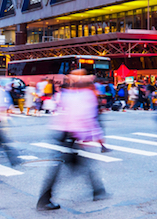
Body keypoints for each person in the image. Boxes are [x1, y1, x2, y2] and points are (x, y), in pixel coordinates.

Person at [36, 70, 109, 211]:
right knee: (63, 167)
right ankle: (44, 200)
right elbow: (86, 117)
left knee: (81, 163)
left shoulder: (67, 94)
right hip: (70, 135)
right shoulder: (86, 96)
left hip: (63, 133)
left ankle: (98, 190)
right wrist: (96, 136)